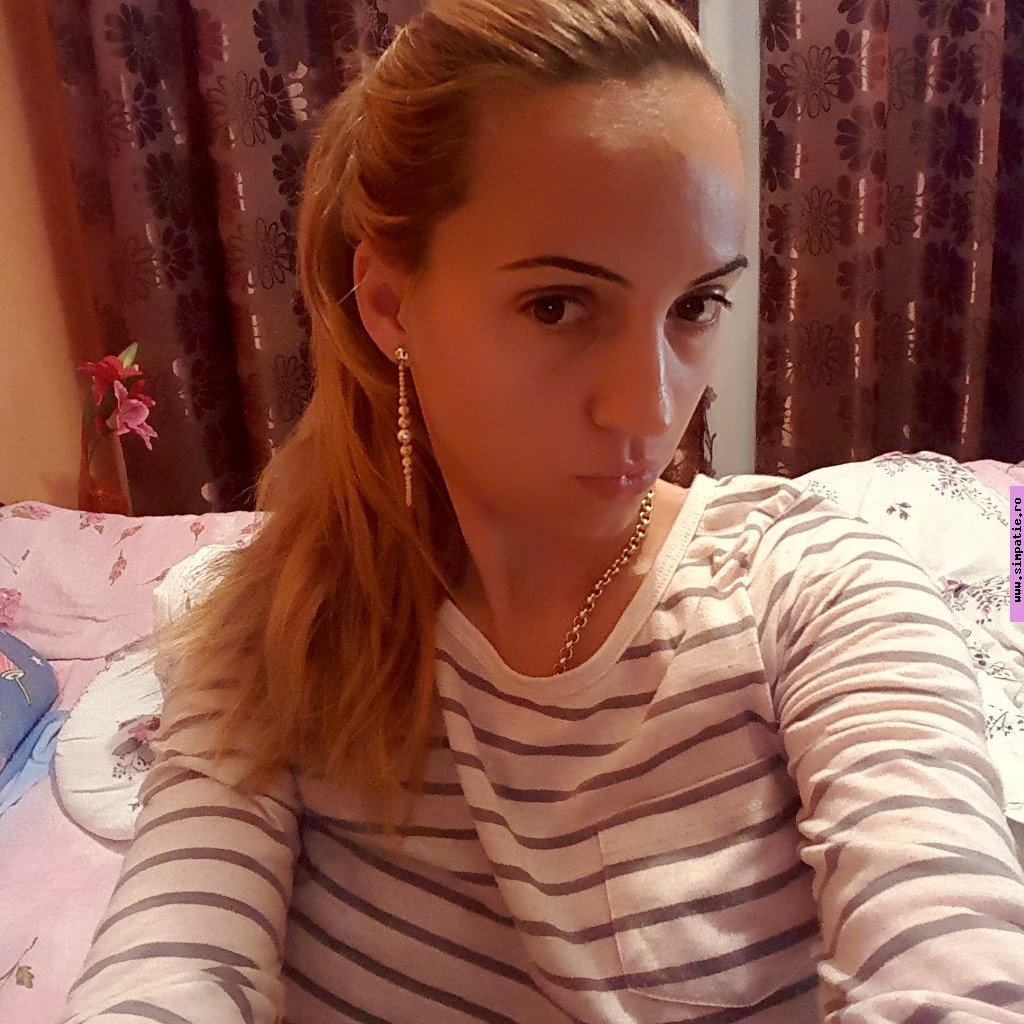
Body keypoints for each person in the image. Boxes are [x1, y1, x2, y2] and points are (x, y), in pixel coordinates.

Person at [62, 0, 1024, 1021]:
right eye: (558, 306)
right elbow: (171, 965)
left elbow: (948, 955)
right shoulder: (274, 628)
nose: (650, 410)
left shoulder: (818, 592)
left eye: (694, 305)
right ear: (389, 305)